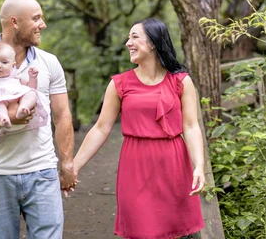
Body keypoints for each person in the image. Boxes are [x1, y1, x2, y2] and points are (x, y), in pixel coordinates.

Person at [0, 0, 76, 239]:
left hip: (42, 172)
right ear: (14, 22)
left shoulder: (49, 63)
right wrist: (10, 116)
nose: (43, 24)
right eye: (36, 18)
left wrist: (67, 164)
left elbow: (62, 116)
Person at [74, 17, 205, 239]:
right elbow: (100, 129)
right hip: (135, 167)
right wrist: (73, 167)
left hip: (173, 165)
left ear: (153, 42)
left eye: (134, 37)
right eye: (128, 37)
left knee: (175, 232)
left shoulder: (181, 81)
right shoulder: (119, 84)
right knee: (141, 230)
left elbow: (191, 127)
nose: (128, 43)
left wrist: (199, 166)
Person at [0, 41, 49, 145]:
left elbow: (31, 87)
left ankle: (23, 108)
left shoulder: (15, 75)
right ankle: (3, 118)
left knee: (32, 93)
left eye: (4, 63)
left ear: (13, 65)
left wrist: (32, 77)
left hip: (16, 99)